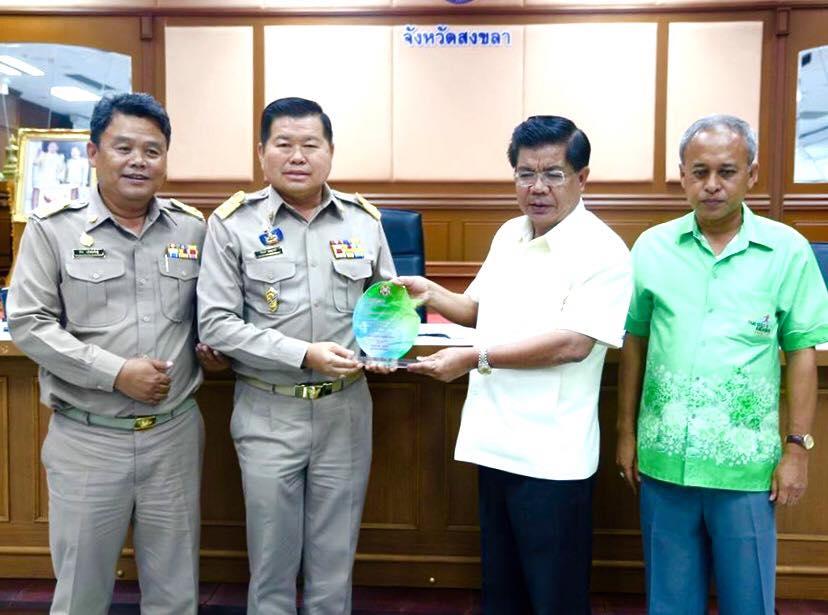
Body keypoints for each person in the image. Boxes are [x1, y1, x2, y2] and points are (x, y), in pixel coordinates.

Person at [398, 115, 632, 614]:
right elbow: (477, 310)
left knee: (555, 596)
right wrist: (431, 292)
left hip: (552, 456)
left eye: (553, 174)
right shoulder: (509, 233)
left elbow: (573, 344)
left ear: (582, 178)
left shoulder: (604, 251)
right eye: (526, 174)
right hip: (494, 443)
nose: (537, 187)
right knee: (503, 590)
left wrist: (475, 358)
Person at [7, 92, 226, 615]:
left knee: (175, 591)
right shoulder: (53, 229)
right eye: (123, 148)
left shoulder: (193, 228)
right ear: (93, 153)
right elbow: (29, 323)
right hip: (89, 438)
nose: (138, 162)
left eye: (152, 151)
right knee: (81, 593)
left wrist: (217, 353)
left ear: (165, 159)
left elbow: (211, 317)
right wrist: (114, 373)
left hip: (173, 435)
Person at [616, 114, 828, 615]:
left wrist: (797, 449)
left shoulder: (787, 250)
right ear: (682, 176)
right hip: (663, 460)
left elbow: (802, 352)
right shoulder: (652, 247)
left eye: (727, 171)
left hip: (747, 468)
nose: (712, 184)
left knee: (748, 601)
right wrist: (626, 432)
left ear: (751, 174)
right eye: (700, 171)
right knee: (669, 602)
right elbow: (634, 341)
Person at [197, 96, 395, 615]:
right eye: (283, 144)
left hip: (345, 410)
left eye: (311, 144)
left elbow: (387, 307)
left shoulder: (363, 220)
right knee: (271, 561)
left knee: (335, 561)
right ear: (261, 152)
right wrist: (304, 353)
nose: (298, 156)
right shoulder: (232, 223)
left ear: (330, 151)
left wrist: (382, 349)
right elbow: (215, 323)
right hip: (268, 408)